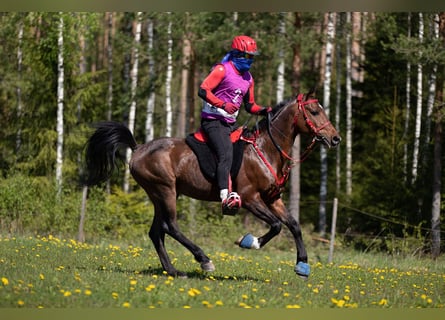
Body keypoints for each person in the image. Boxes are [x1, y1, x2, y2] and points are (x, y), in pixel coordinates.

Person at [198, 35, 272, 215]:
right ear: (237, 54)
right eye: (248, 56)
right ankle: (225, 197)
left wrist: (266, 110)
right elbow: (203, 89)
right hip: (213, 122)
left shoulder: (248, 79)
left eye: (253, 57)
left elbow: (250, 106)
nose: (250, 60)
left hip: (231, 124)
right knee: (225, 154)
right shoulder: (222, 70)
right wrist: (222, 104)